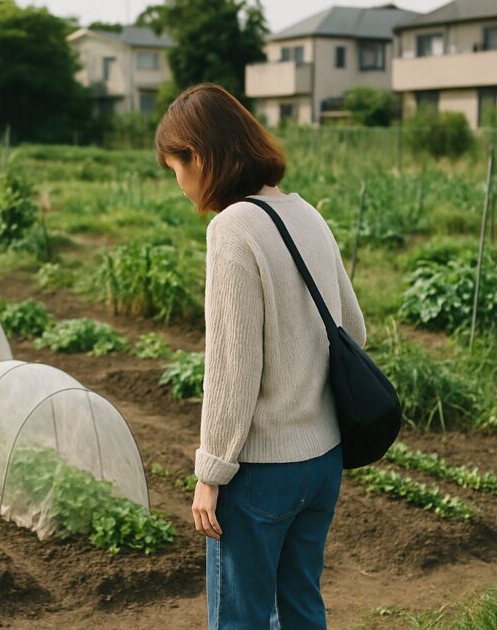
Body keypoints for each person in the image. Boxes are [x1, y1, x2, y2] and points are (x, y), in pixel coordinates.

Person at [155, 83, 366, 629]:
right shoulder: (307, 214)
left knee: (241, 619)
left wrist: (211, 473)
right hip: (323, 461)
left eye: (174, 166)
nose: (177, 182)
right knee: (301, 607)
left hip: (261, 471)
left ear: (199, 157)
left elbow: (232, 369)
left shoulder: (231, 229)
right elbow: (355, 330)